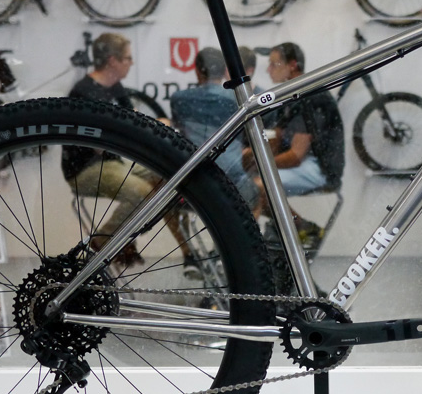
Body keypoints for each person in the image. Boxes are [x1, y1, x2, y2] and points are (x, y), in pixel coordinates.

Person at [61, 32, 192, 271]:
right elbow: (96, 145)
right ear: (113, 61)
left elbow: (133, 123)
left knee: (168, 177)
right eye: (128, 58)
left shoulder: (115, 87)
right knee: (142, 192)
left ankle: (183, 252)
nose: (131, 63)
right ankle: (102, 243)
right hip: (85, 169)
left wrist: (155, 125)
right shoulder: (84, 93)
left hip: (114, 161)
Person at [243, 42, 344, 246]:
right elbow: (277, 136)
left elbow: (296, 155)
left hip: (320, 169)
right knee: (246, 183)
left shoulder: (309, 95)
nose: (268, 70)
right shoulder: (289, 94)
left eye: (274, 64)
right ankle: (301, 228)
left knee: (255, 187)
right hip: (305, 162)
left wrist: (260, 163)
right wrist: (250, 154)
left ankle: (252, 246)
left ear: (292, 65)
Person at [170, 47, 258, 204]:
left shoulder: (179, 99)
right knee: (257, 200)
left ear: (197, 71)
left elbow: (180, 134)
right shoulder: (239, 100)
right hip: (233, 180)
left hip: (193, 177)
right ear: (224, 70)